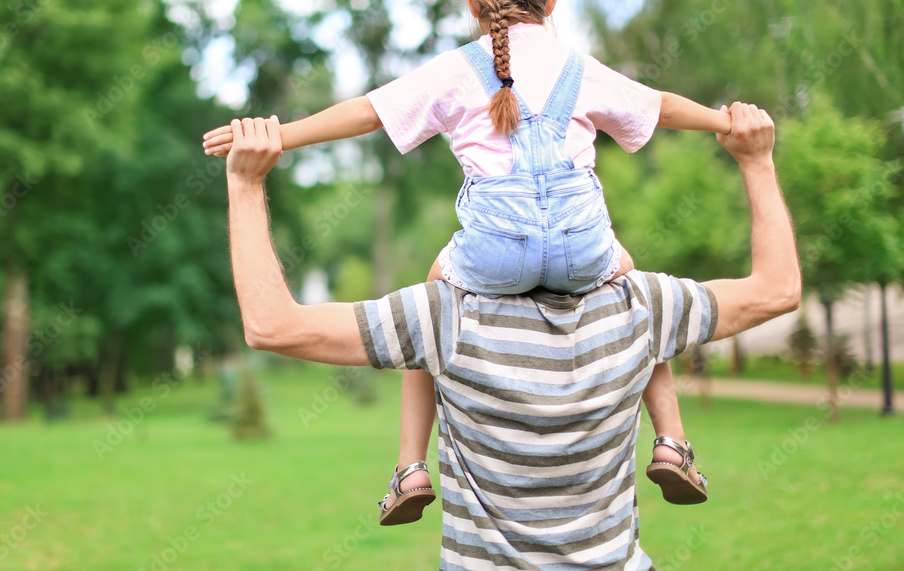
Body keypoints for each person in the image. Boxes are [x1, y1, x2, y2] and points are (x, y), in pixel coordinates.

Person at [205, 0, 734, 523]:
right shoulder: (580, 68)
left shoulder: (456, 70)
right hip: (581, 248)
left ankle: (409, 467)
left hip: (493, 254)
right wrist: (724, 122)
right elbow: (661, 105)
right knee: (638, 296)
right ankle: (672, 441)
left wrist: (279, 134)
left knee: (430, 302)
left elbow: (364, 113)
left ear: (471, 1)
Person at [223, 102, 799, 569]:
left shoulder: (445, 319)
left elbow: (273, 324)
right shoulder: (639, 307)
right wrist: (756, 160)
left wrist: (247, 183)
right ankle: (673, 440)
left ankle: (407, 466)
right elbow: (777, 288)